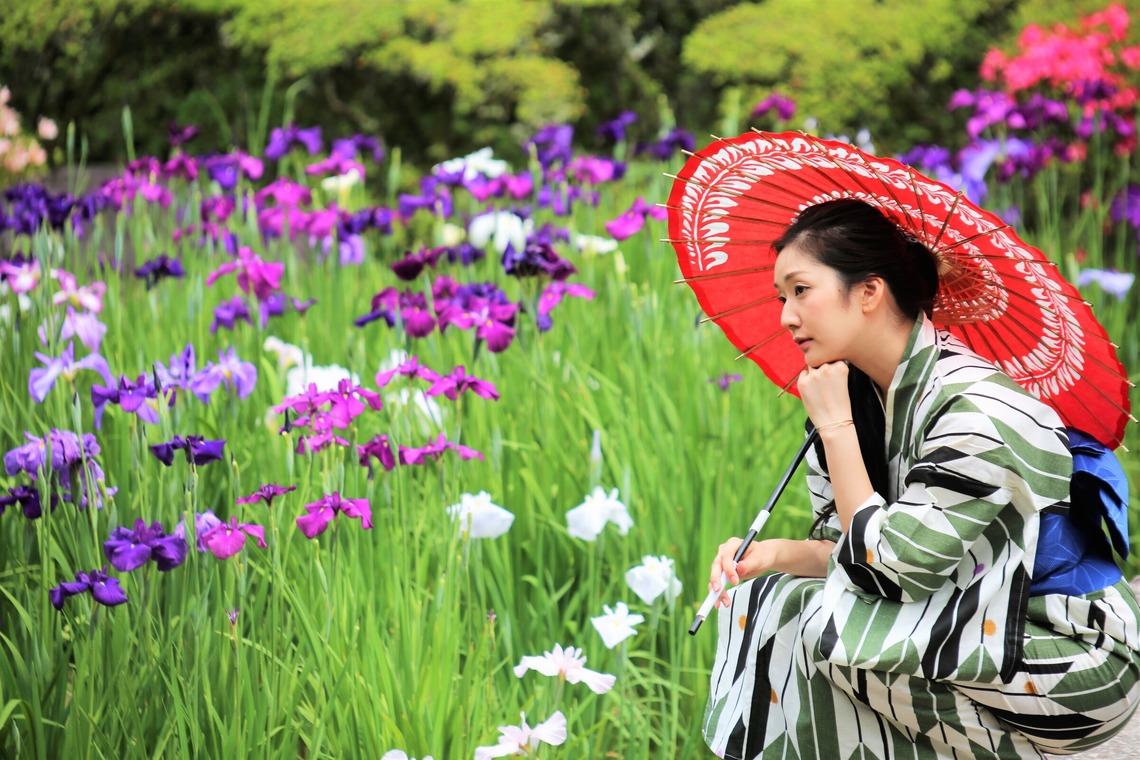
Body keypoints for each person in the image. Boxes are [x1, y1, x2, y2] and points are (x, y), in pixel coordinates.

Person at [703, 198, 1140, 759]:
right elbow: (847, 553)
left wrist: (834, 428)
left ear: (868, 291)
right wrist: (770, 554)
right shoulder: (860, 397)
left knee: (823, 624)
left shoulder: (976, 410)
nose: (786, 316)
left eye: (801, 290)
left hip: (1071, 655)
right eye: (780, 297)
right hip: (978, 624)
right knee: (765, 598)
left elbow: (891, 573)